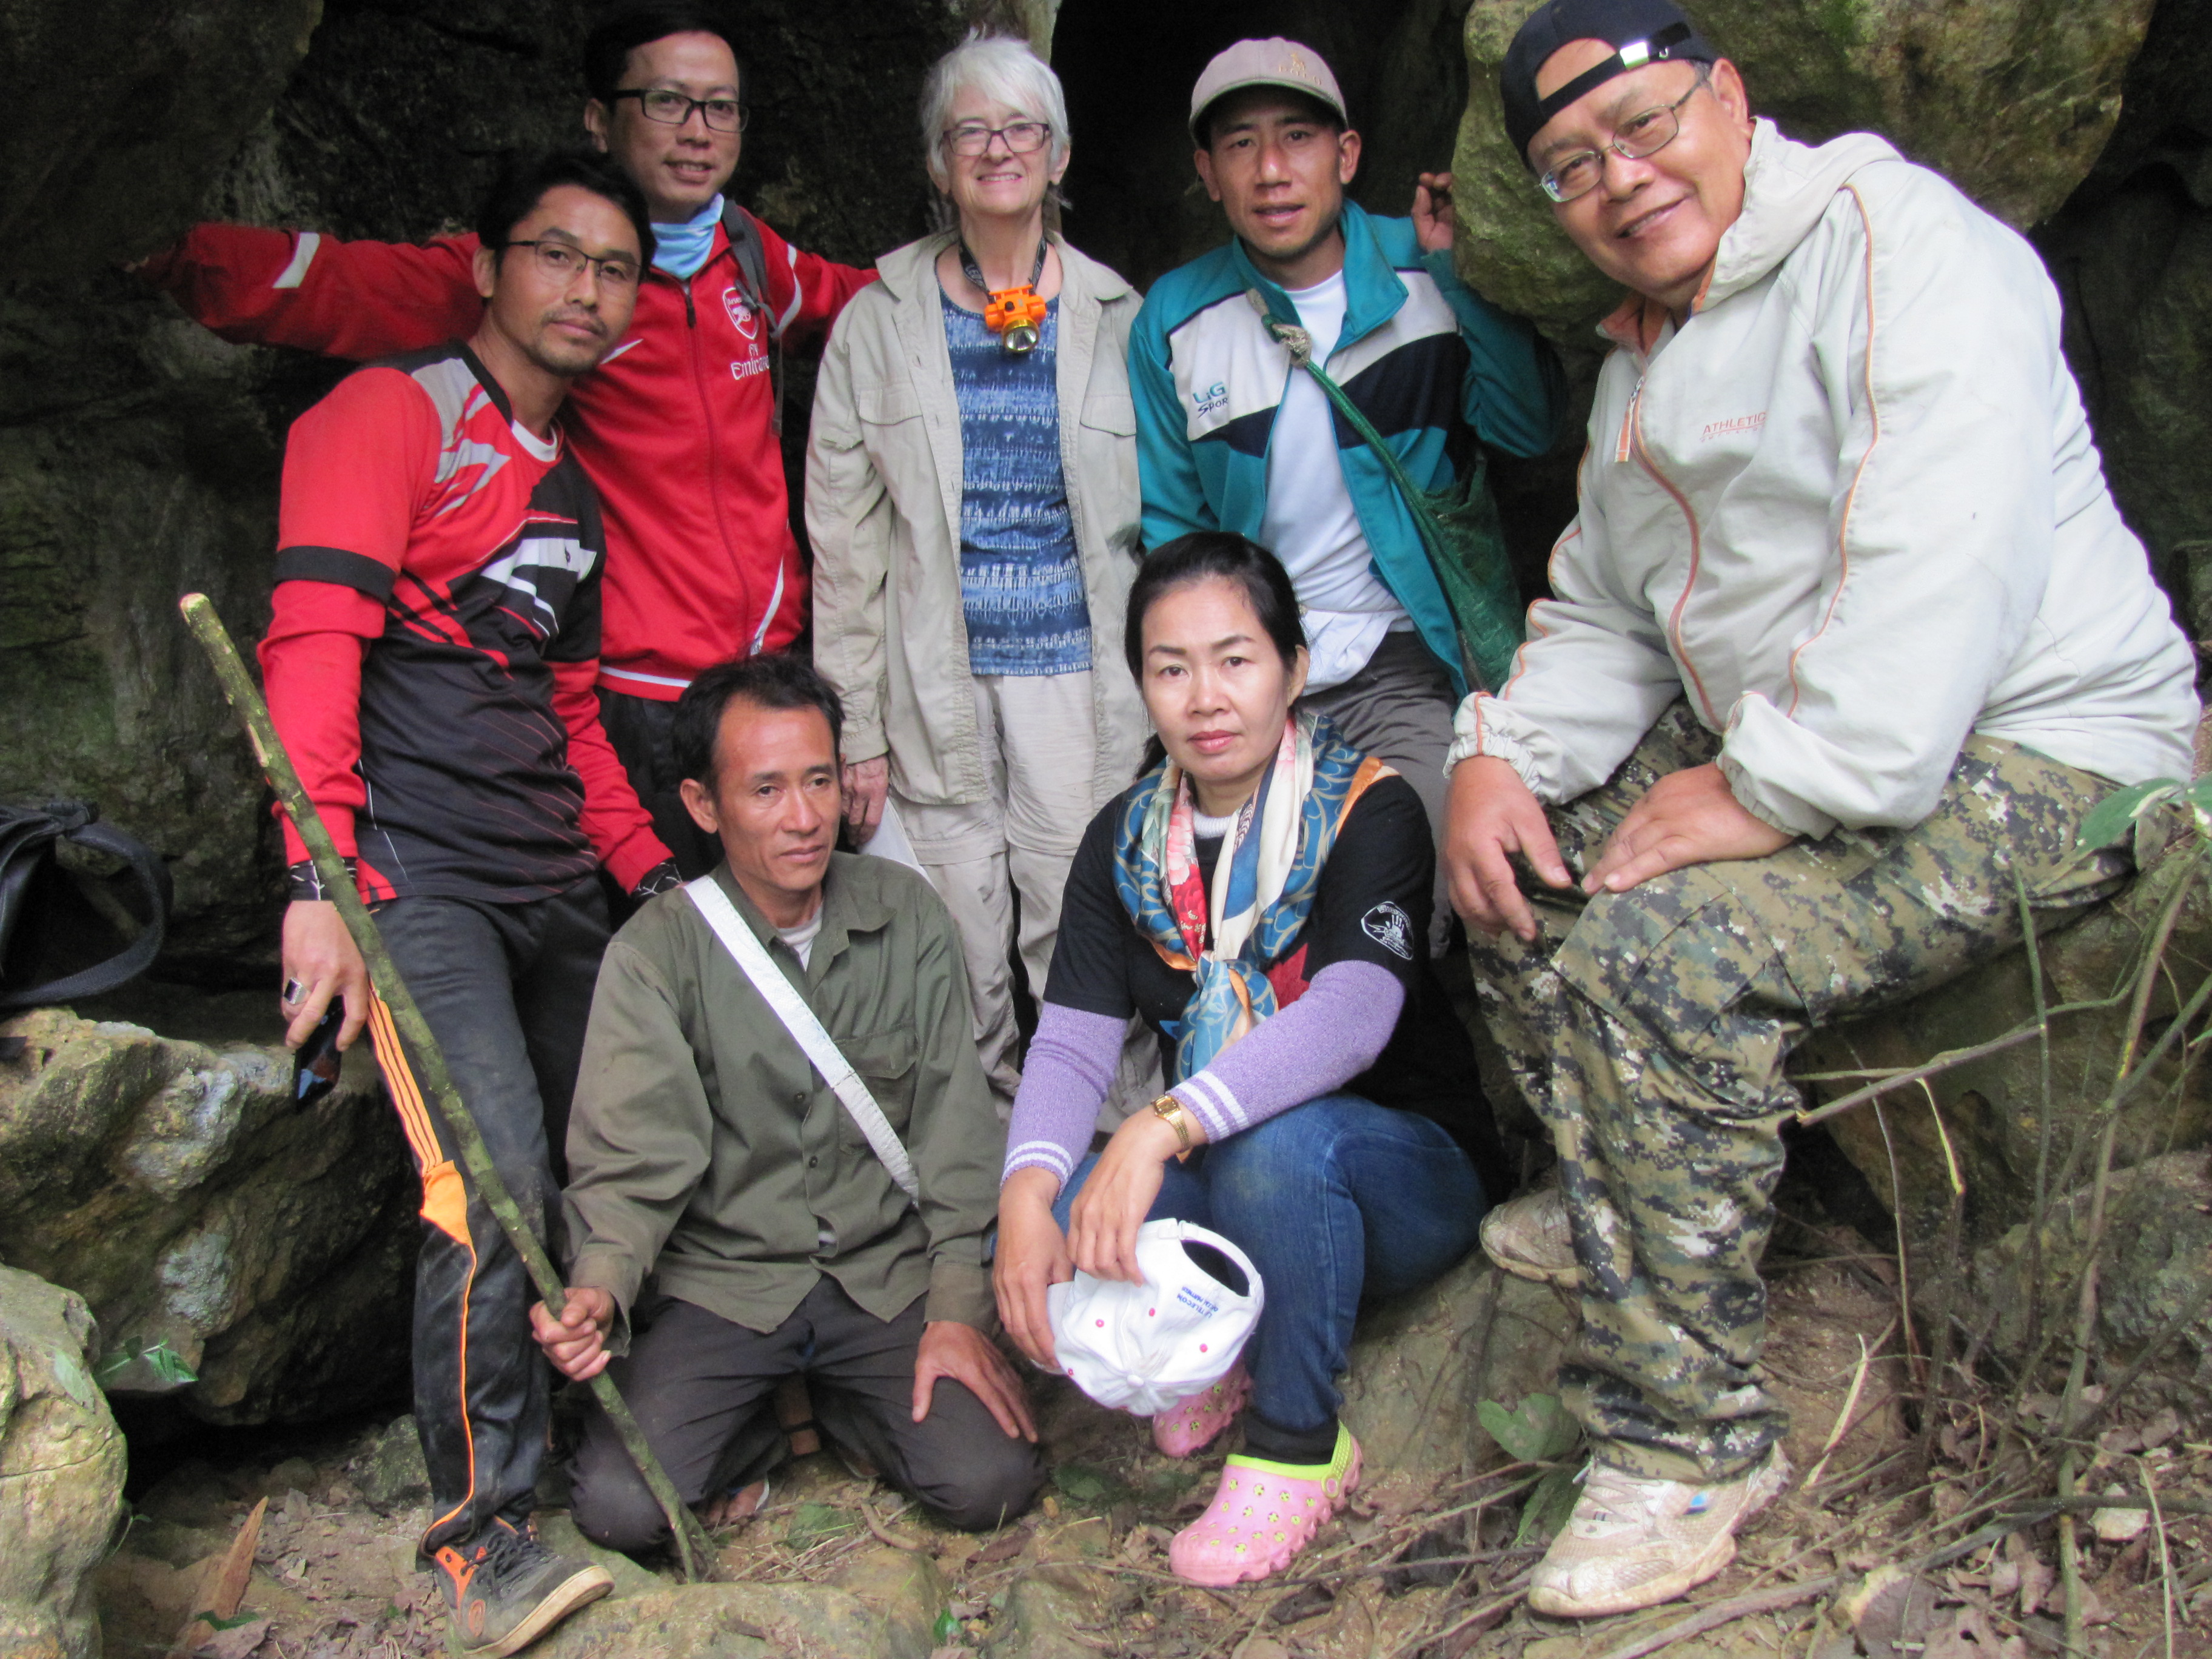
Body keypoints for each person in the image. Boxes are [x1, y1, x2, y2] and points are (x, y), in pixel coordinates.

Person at [1445, 0, 2202, 1621]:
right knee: (1523, 874)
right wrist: (1498, 757)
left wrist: (1768, 790)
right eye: (1573, 165)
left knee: (1664, 953)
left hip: (2047, 745)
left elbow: (1939, 560)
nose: (1620, 179)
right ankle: (1646, 1208)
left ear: (1729, 98)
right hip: (1820, 747)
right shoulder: (1647, 356)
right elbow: (1603, 612)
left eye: (1646, 126)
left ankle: (1689, 1445)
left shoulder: (1900, 245)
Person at [137, 2, 876, 874]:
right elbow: (342, 284)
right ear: (601, 121)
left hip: (764, 676)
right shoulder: (548, 280)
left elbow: (873, 305)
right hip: (632, 692)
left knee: (777, 957)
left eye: (721, 107)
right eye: (667, 102)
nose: (697, 131)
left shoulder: (754, 260)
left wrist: (998, 288)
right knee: (650, 952)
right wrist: (163, 253)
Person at [269, 149, 676, 1655]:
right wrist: (316, 887)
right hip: (412, 881)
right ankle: (475, 1533)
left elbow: (574, 723)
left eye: (616, 267)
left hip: (547, 877)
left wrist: (654, 889)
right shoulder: (391, 414)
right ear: (491, 266)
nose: (585, 289)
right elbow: (312, 646)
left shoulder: (570, 487)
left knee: (616, 1154)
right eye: (556, 255)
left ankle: (597, 1453)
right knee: (486, 1178)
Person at [991, 533, 1510, 1587]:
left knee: (1276, 1137)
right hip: (1244, 1169)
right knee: (1084, 1195)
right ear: (1142, 685)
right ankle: (1222, 1342)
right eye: (1170, 668)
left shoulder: (1373, 807)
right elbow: (1074, 1041)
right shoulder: (1124, 844)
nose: (1204, 697)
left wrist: (1163, 1121)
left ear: (1295, 669)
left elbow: (1357, 1015)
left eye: (1236, 660)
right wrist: (1023, 1198)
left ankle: (1298, 1445)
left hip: (1406, 1177)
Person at [531, 653, 1047, 1552]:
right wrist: (599, 1292)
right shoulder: (658, 953)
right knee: (623, 1508)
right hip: (726, 1288)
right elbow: (630, 1162)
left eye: (818, 781)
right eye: (766, 790)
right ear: (703, 805)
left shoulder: (906, 915)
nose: (805, 819)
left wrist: (958, 1313)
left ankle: (838, 1410)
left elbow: (953, 1137)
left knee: (992, 1483)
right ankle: (771, 1417)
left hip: (882, 1278)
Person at [1128, 38, 1565, 945]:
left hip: (1401, 659)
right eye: (1241, 145)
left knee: (1420, 894)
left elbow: (1528, 430)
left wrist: (1460, 275)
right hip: (1256, 674)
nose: (1274, 170)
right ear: (1208, 172)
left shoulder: (1424, 267)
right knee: (1226, 921)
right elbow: (1177, 532)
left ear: (1349, 154)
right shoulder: (1176, 315)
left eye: (1298, 137)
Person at [808, 33, 1148, 1110]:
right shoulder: (875, 325)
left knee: (1087, 917)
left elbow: (1162, 524)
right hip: (929, 679)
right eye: (971, 132)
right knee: (954, 938)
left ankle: (1116, 1150)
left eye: (1021, 129)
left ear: (1057, 155)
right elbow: (845, 542)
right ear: (936, 163)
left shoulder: (1121, 317)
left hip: (1081, 683)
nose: (998, 150)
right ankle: (982, 1172)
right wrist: (853, 727)